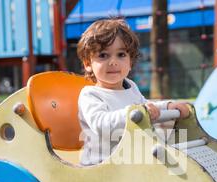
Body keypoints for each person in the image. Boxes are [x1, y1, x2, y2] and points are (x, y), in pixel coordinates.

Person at [77, 18, 190, 166]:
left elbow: (147, 107)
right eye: (103, 55)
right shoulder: (90, 95)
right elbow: (101, 124)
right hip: (100, 166)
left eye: (121, 55)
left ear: (130, 62)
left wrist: (168, 107)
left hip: (129, 162)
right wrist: (135, 112)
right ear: (88, 64)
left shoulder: (130, 86)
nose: (113, 62)